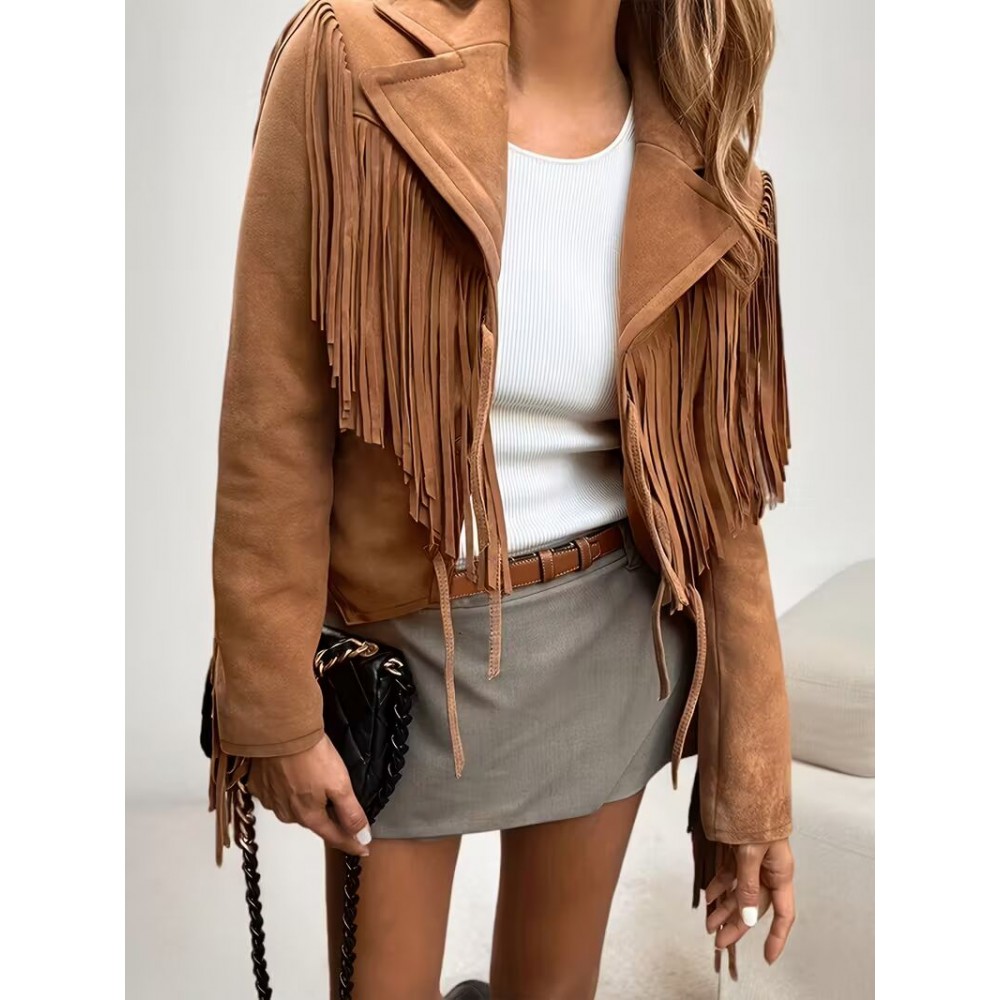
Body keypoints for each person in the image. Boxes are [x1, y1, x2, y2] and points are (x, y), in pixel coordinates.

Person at [207, 1, 796, 997]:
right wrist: (273, 706)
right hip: (406, 653)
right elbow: (274, 411)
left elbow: (723, 503)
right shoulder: (354, 61)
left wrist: (753, 779)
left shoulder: (699, 151)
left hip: (613, 640)